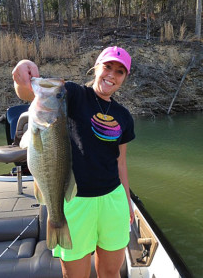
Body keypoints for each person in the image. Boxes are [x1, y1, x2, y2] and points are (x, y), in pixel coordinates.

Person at [12, 46, 135, 278]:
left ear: (124, 78)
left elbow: (120, 162)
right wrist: (23, 69)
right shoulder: (75, 95)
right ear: (96, 67)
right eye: (107, 67)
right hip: (76, 201)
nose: (111, 75)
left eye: (119, 71)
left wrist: (127, 201)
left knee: (110, 272)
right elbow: (30, 93)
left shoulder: (124, 115)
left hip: (113, 200)